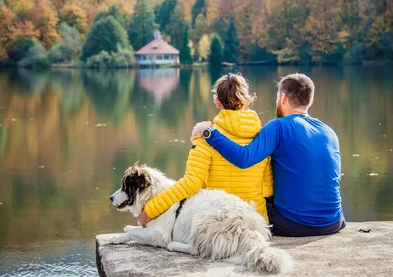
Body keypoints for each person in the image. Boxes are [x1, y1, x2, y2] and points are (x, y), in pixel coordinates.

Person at [191, 73, 345, 237]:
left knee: (256, 205)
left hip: (292, 224)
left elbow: (244, 159)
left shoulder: (278, 127)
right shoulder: (329, 132)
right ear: (311, 101)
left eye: (278, 96)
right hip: (333, 222)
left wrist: (209, 134)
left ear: (283, 98)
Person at [136, 73, 273, 227]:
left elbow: (190, 185)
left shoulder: (205, 138)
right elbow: (267, 189)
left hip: (219, 222)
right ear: (247, 101)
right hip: (256, 224)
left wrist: (150, 211)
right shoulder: (262, 139)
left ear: (217, 102)